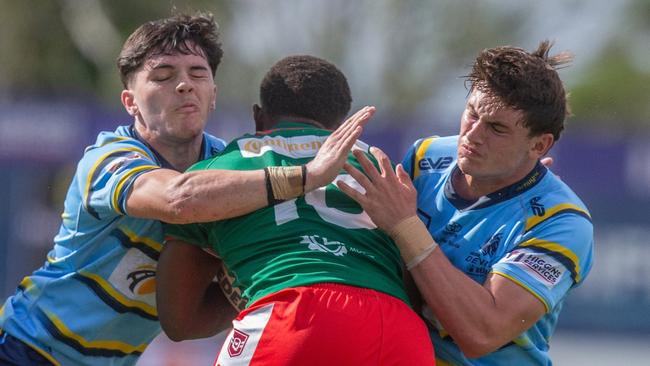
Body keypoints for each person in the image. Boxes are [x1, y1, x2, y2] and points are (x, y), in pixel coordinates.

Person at [0, 14, 371, 366]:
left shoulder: (229, 163)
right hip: (25, 346)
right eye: (162, 75)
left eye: (198, 73)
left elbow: (186, 320)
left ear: (212, 94)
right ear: (130, 102)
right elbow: (179, 199)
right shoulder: (108, 157)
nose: (184, 84)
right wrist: (306, 175)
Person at [158, 55, 435, 365]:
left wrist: (244, 277)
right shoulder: (380, 168)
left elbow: (180, 320)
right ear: (340, 128)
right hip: (400, 330)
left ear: (258, 117)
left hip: (295, 316)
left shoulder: (220, 169)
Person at [339, 41, 594, 365]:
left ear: (538, 145)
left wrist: (406, 228)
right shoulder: (425, 157)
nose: (473, 135)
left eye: (497, 129)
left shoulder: (563, 222)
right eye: (471, 113)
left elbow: (481, 334)